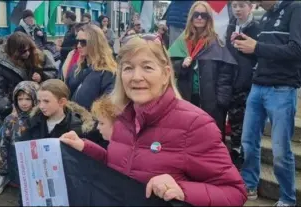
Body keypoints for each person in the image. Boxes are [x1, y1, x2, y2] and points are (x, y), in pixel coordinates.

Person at [60, 34, 247, 206]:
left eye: (147, 67)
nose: (136, 77)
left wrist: (182, 190)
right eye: (128, 68)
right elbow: (122, 167)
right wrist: (85, 149)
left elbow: (235, 192)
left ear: (166, 74)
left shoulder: (195, 124)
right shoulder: (122, 117)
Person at [233, 0, 301, 205]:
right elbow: (264, 51)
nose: (254, 4)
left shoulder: (297, 8)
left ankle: (287, 198)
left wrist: (256, 46)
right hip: (257, 86)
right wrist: (245, 44)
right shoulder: (267, 15)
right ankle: (249, 186)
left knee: (280, 150)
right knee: (248, 143)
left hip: (282, 90)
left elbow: (298, 51)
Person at [171, 1, 233, 133]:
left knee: (209, 135)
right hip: (187, 97)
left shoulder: (215, 42)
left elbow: (225, 72)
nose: (199, 18)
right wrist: (181, 65)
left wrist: (221, 101)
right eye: (196, 14)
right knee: (187, 134)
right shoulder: (183, 40)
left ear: (208, 18)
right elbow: (169, 65)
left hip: (210, 101)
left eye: (203, 15)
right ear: (191, 17)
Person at [224, 1, 260, 169]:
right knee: (234, 119)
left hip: (248, 83)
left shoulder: (256, 28)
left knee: (246, 123)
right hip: (231, 81)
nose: (237, 10)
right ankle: (236, 153)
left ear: (250, 7)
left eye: (241, 5)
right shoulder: (231, 25)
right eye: (234, 6)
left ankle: (246, 159)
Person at [0, 32, 57, 121]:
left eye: (29, 49)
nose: (27, 53)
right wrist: (8, 110)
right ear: (13, 51)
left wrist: (42, 76)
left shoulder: (38, 55)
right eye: (23, 51)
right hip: (14, 112)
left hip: (39, 109)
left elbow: (53, 73)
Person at [0, 81, 39, 197]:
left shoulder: (39, 119)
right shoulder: (11, 118)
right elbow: (2, 135)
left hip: (29, 155)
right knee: (4, 146)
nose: (23, 103)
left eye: (28, 99)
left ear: (35, 99)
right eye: (20, 99)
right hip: (10, 150)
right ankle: (3, 174)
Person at [19, 79, 95, 141]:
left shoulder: (75, 127)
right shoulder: (33, 121)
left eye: (46, 101)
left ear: (62, 102)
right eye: (39, 101)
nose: (41, 106)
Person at [66, 24, 117, 110]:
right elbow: (65, 92)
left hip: (91, 121)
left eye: (83, 42)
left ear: (95, 43)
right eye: (77, 41)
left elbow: (107, 107)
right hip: (71, 120)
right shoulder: (76, 68)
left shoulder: (108, 72)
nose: (78, 45)